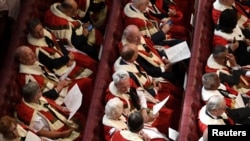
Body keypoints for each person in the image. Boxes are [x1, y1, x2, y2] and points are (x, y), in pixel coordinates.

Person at [15, 46, 93, 115]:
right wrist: (58, 88)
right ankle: (91, 111)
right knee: (86, 82)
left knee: (87, 79)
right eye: (29, 55)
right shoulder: (25, 77)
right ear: (22, 60)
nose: (33, 55)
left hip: (61, 86)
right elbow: (37, 98)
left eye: (32, 52)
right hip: (55, 99)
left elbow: (50, 75)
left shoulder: (34, 63)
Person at [105, 69, 175, 134]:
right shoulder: (112, 100)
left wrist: (144, 109)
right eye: (123, 88)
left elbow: (140, 93)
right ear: (116, 85)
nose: (127, 89)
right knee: (162, 122)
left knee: (167, 112)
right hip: (134, 123)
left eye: (128, 86)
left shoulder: (127, 81)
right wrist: (143, 120)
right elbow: (124, 121)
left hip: (139, 108)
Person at [26, 18, 97, 79]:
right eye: (36, 33)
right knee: (88, 75)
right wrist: (67, 59)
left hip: (64, 54)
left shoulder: (46, 31)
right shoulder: (36, 49)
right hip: (60, 67)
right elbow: (52, 64)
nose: (40, 33)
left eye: (41, 29)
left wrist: (68, 56)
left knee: (90, 62)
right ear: (31, 33)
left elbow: (58, 42)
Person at [16, 81, 85, 141]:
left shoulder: (34, 99)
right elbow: (41, 132)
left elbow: (51, 104)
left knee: (80, 117)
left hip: (62, 121)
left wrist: (63, 108)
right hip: (55, 133)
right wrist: (61, 134)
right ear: (35, 97)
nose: (41, 92)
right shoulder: (30, 114)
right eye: (39, 91)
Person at [120, 24, 186, 86]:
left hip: (161, 61)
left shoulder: (138, 39)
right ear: (129, 39)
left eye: (139, 34)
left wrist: (164, 58)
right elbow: (146, 69)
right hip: (154, 72)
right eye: (136, 37)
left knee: (179, 59)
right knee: (172, 75)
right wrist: (164, 69)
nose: (140, 38)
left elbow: (152, 49)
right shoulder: (132, 52)